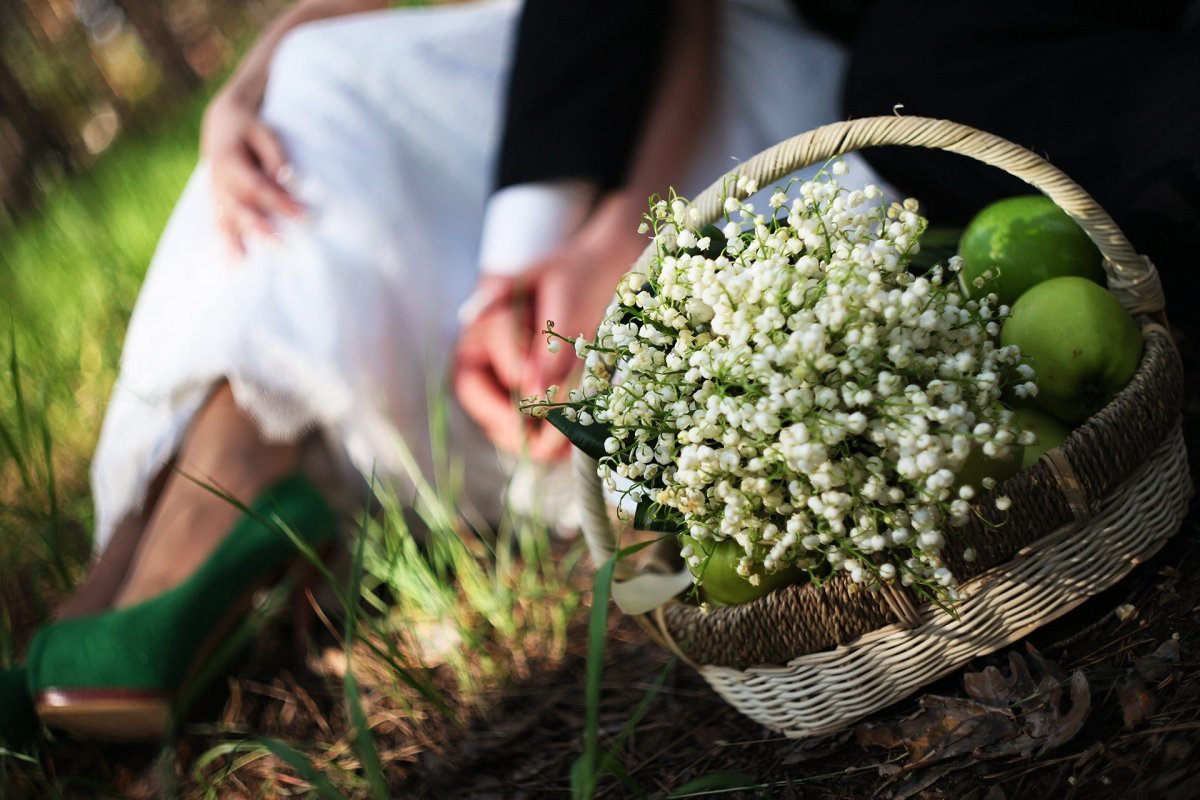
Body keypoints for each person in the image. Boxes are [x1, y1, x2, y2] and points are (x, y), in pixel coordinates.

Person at [2, 0, 885, 743]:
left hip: (694, 88)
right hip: (548, 80)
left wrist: (632, 226)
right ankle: (140, 567)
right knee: (303, 87)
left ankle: (177, 550)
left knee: (327, 97)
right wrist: (231, 98)